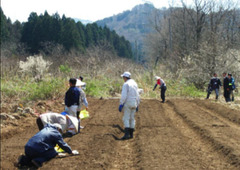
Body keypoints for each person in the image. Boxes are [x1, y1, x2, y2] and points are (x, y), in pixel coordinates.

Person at [119, 71, 140, 140]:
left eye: (123, 77)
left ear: (125, 77)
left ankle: (126, 134)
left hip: (128, 102)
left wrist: (121, 104)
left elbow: (124, 95)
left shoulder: (126, 84)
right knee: (132, 118)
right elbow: (137, 94)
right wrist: (138, 103)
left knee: (126, 118)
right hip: (134, 102)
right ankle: (131, 134)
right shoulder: (135, 83)